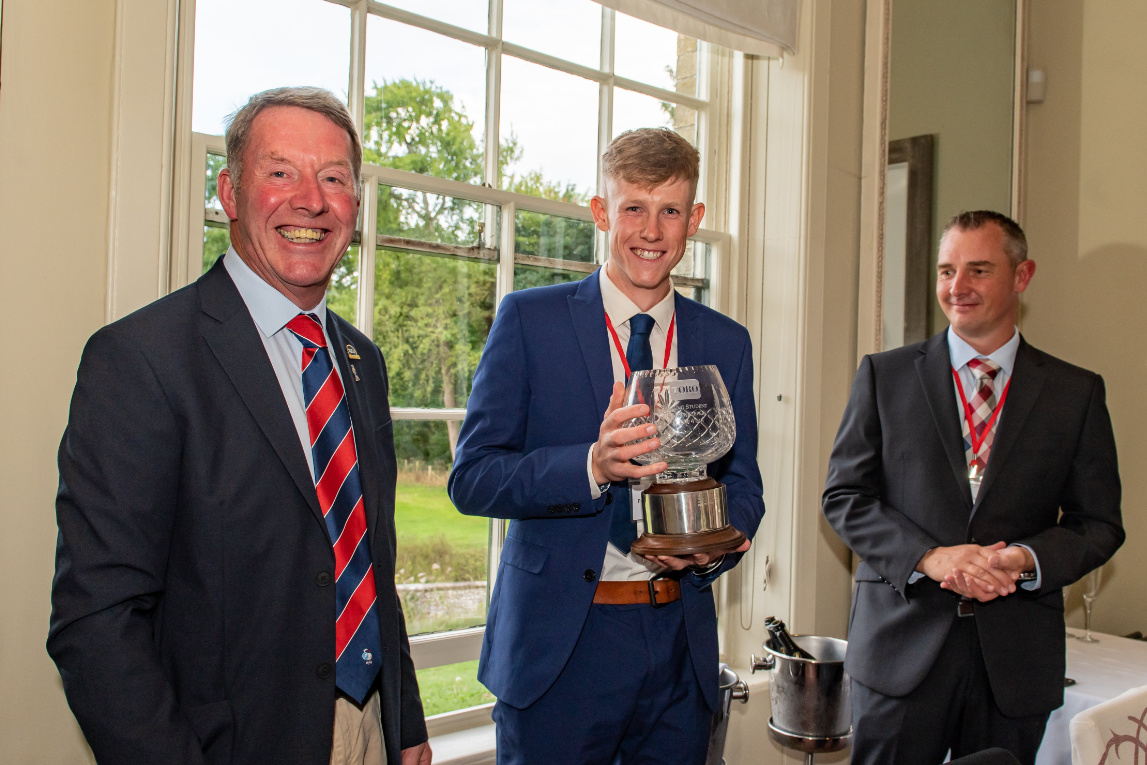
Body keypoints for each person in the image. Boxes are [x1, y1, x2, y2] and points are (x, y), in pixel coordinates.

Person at [48, 87, 431, 765]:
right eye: (280, 172)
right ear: (229, 192)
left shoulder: (361, 361)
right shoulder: (142, 360)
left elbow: (368, 564)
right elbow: (97, 624)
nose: (310, 200)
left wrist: (403, 723)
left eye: (334, 178)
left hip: (366, 729)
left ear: (354, 205)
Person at [448, 128, 765, 764]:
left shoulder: (725, 342)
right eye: (634, 208)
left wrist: (711, 550)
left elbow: (744, 487)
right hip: (562, 648)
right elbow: (474, 478)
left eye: (670, 210)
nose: (652, 230)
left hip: (679, 643)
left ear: (693, 221)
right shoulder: (529, 321)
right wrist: (590, 465)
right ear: (601, 212)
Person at [823, 210, 1124, 764]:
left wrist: (1022, 559)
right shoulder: (884, 377)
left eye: (978, 270)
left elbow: (1098, 524)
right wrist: (930, 558)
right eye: (946, 271)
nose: (956, 288)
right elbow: (844, 497)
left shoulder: (1074, 393)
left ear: (1022, 275)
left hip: (1013, 664)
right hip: (900, 654)